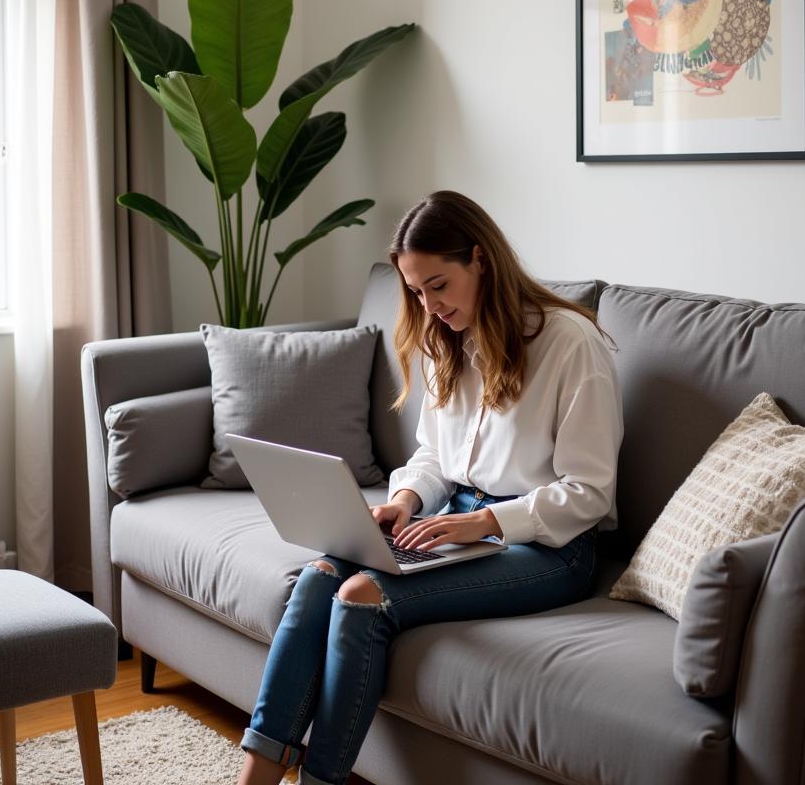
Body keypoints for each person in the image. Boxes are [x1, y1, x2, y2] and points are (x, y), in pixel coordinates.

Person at [237, 190, 624, 785]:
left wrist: (487, 522)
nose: (429, 305)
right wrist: (404, 502)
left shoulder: (571, 343)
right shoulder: (449, 339)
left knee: (364, 595)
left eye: (438, 285)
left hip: (550, 548)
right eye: (416, 292)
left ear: (480, 259)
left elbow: (590, 492)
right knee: (319, 578)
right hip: (456, 521)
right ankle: (256, 776)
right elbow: (436, 455)